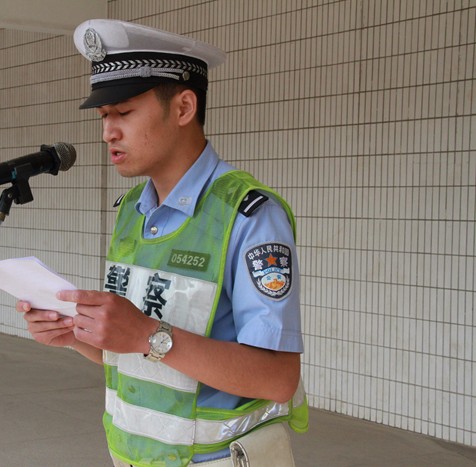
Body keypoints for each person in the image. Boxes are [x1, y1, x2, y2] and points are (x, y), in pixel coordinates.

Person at [16, 19, 308, 467]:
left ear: (184, 107)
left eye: (124, 113)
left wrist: (149, 335)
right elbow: (137, 350)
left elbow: (278, 378)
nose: (108, 132)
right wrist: (74, 334)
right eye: (104, 117)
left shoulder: (249, 215)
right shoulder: (133, 209)